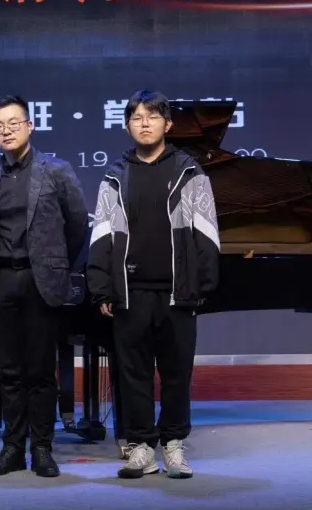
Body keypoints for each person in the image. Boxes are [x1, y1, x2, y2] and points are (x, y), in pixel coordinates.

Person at [86, 90, 221, 480]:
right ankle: (142, 447)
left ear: (168, 124)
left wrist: (202, 283)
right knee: (134, 374)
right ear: (127, 125)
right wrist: (101, 287)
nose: (144, 123)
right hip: (130, 292)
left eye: (152, 116)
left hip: (177, 292)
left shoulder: (189, 171)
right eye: (136, 117)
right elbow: (102, 233)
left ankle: (174, 445)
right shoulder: (116, 175)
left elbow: (207, 229)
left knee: (177, 374)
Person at [0, 95, 89, 478]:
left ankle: (41, 447)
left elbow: (77, 225)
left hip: (43, 281)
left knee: (40, 370)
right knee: (10, 370)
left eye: (13, 123)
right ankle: (12, 447)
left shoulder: (56, 170)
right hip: (2, 281)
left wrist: (54, 262)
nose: (6, 131)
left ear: (29, 125)